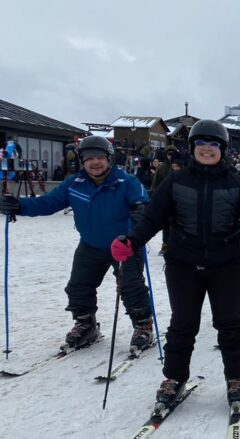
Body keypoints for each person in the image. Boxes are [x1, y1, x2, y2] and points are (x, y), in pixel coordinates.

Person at [113, 119, 240, 407]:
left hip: (227, 264)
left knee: (229, 323)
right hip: (183, 264)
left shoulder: (235, 184)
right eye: (201, 144)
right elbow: (153, 217)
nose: (207, 149)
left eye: (213, 144)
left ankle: (236, 377)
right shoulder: (176, 182)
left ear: (222, 149)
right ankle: (174, 377)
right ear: (192, 148)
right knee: (182, 324)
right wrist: (132, 241)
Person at [0, 136, 154, 352]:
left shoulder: (127, 182)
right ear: (82, 161)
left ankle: (143, 325)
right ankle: (86, 324)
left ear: (109, 159)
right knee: (78, 287)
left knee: (131, 287)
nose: (95, 162)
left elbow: (144, 205)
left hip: (123, 246)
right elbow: (47, 203)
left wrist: (141, 211)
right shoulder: (74, 184)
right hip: (90, 245)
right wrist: (18, 206)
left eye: (100, 157)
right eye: (89, 158)